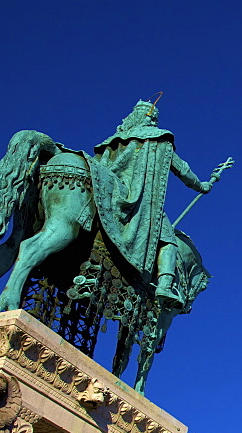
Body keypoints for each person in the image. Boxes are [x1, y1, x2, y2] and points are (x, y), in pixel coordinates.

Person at [90, 100, 212, 305]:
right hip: (141, 203)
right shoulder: (158, 139)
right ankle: (164, 286)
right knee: (168, 241)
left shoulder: (111, 141)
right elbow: (182, 170)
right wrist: (202, 186)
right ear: (152, 119)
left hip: (107, 194)